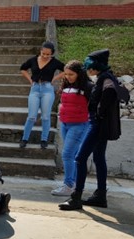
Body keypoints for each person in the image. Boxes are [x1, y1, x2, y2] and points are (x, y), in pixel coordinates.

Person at [59, 49, 121, 211]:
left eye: (90, 66)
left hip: (96, 125)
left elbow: (110, 91)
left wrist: (99, 113)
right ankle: (100, 195)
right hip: (98, 124)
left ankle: (76, 198)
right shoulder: (105, 77)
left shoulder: (105, 79)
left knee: (79, 158)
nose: (88, 69)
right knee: (99, 158)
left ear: (96, 66)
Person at [51, 60, 92, 196]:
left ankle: (69, 185)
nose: (68, 77)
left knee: (68, 154)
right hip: (65, 123)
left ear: (79, 74)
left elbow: (93, 106)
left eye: (71, 74)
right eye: (66, 74)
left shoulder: (88, 86)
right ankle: (74, 184)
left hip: (79, 124)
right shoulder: (66, 84)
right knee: (72, 155)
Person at [19, 41, 65, 149]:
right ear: (40, 51)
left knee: (45, 116)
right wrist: (30, 80)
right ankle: (24, 138)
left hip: (47, 89)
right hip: (34, 89)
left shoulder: (54, 62)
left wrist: (54, 78)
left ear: (51, 54)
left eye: (48, 54)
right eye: (43, 53)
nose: (45, 56)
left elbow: (66, 69)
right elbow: (22, 69)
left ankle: (44, 139)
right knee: (31, 116)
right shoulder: (33, 60)